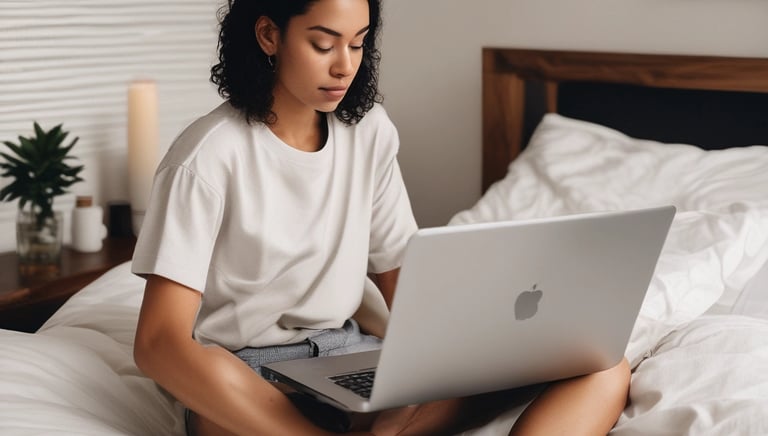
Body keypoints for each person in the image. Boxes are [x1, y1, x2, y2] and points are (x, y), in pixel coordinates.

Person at [132, 0, 631, 435]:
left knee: (602, 368)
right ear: (269, 35)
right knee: (217, 389)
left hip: (351, 359)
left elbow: (405, 281)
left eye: (358, 44)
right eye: (323, 45)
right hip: (254, 376)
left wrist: (471, 357)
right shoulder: (206, 157)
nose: (344, 67)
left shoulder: (367, 131)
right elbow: (159, 344)